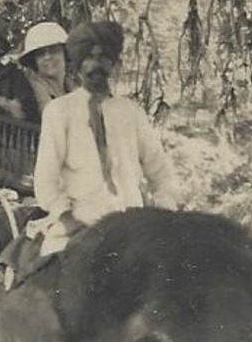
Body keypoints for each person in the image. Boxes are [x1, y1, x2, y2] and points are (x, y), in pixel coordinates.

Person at [33, 20, 181, 255]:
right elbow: (45, 181)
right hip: (80, 224)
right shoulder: (59, 111)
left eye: (103, 57)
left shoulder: (131, 112)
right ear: (79, 65)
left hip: (132, 225)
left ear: (114, 64)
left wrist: (164, 212)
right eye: (88, 58)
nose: (96, 65)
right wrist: (67, 213)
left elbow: (161, 173)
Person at [16, 21, 72, 113]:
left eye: (53, 50)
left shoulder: (73, 84)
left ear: (64, 53)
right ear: (34, 61)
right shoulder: (33, 89)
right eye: (41, 53)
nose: (47, 57)